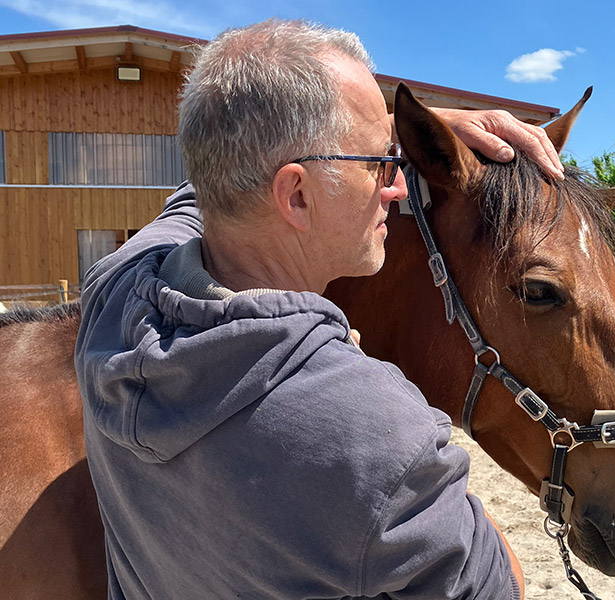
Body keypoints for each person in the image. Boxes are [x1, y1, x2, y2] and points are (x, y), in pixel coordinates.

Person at [75, 18, 563, 600]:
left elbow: (212, 182)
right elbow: (500, 584)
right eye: (380, 162)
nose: (399, 185)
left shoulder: (112, 297)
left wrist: (420, 134)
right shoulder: (376, 440)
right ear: (297, 195)